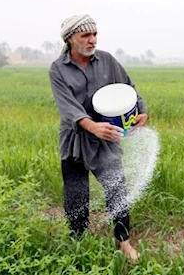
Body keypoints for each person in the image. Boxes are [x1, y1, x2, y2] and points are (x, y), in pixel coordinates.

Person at [48, 14, 148, 261]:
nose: (92, 40)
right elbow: (68, 107)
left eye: (94, 34)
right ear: (71, 39)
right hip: (75, 139)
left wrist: (142, 111)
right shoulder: (58, 70)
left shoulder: (107, 61)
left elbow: (128, 88)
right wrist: (92, 126)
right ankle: (79, 242)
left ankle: (123, 241)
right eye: (85, 35)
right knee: (76, 195)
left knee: (117, 189)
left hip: (106, 138)